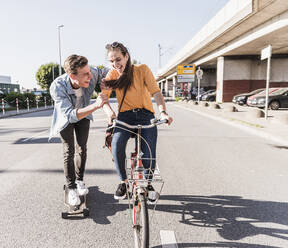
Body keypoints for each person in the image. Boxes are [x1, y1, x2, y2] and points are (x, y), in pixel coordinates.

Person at [102, 42, 173, 200]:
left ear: (126, 56)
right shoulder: (112, 74)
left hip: (145, 115)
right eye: (111, 61)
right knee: (117, 145)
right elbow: (103, 98)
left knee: (149, 153)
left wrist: (163, 113)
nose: (115, 64)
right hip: (125, 117)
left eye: (118, 59)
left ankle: (147, 184)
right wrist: (110, 113)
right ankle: (123, 182)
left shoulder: (142, 70)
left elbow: (156, 92)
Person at [49, 54, 108, 206]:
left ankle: (80, 181)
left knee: (82, 148)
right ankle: (71, 188)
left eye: (89, 72)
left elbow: (108, 72)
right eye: (85, 74)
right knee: (69, 151)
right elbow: (69, 115)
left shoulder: (92, 73)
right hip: (66, 118)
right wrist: (96, 105)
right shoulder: (57, 86)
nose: (90, 76)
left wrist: (106, 82)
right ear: (72, 75)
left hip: (84, 114)